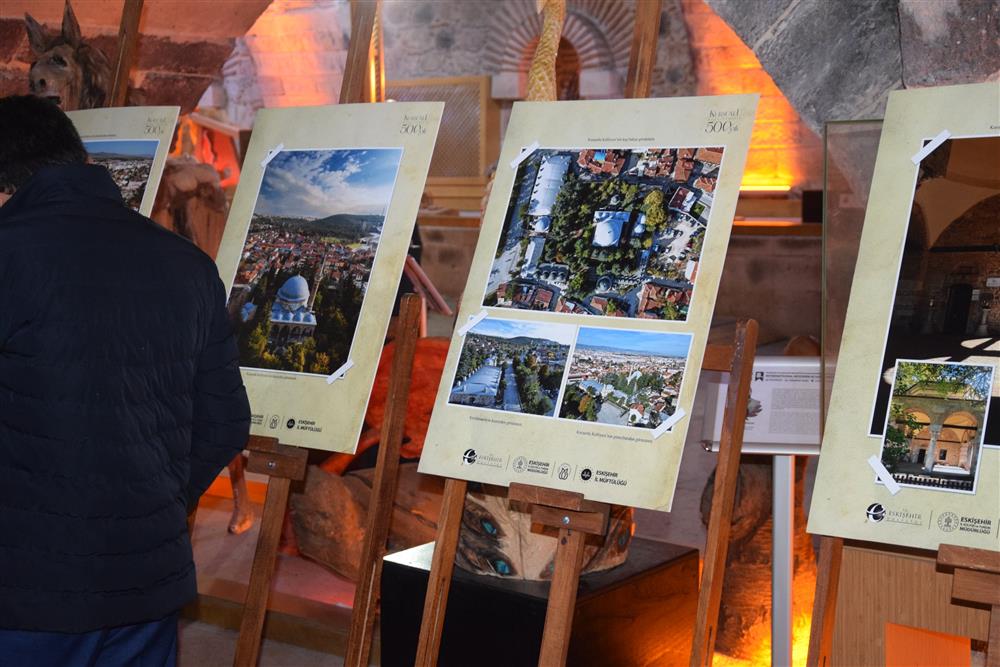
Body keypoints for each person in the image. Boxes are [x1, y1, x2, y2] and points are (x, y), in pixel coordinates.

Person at [0, 95, 251, 664]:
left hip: (25, 589)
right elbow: (225, 421)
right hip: (147, 577)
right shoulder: (187, 263)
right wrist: (157, 501)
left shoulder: (8, 254)